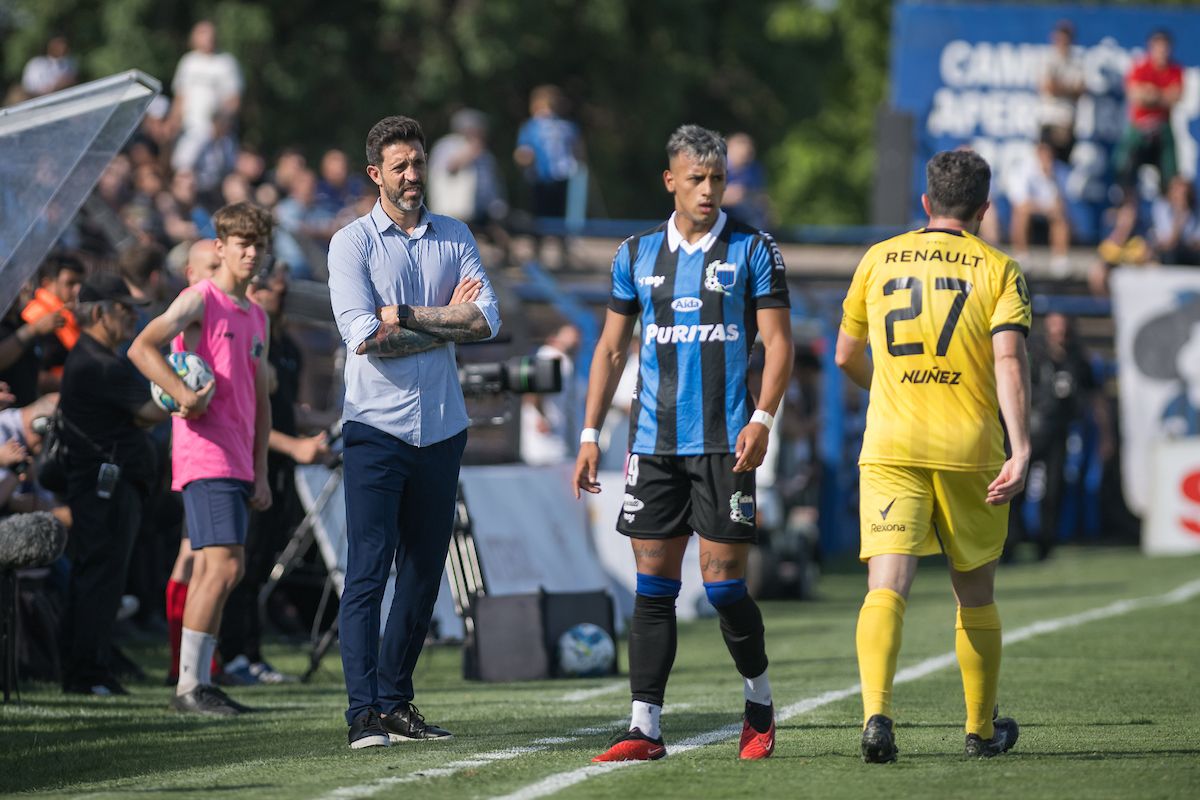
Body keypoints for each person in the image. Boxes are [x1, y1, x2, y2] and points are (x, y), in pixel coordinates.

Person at [573, 124, 793, 762]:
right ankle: (645, 727)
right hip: (653, 442)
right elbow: (612, 348)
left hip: (728, 443)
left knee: (723, 585)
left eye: (717, 179)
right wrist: (591, 433)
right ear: (669, 180)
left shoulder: (754, 249)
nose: (708, 190)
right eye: (696, 179)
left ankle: (758, 700)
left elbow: (777, 344)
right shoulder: (636, 253)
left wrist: (763, 418)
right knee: (653, 583)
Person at [834, 149, 1032, 762]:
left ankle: (876, 717)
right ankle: (978, 729)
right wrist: (1021, 446)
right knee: (974, 595)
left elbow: (844, 355)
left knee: (885, 587)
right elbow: (1007, 360)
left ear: (926, 202)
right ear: (983, 209)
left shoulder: (877, 257)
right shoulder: (999, 268)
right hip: (969, 447)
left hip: (892, 444)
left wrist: (890, 389)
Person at [327, 115, 501, 749]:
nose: (411, 175)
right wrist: (443, 320)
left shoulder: (454, 233)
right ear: (375, 173)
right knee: (368, 573)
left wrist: (404, 314)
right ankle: (362, 714)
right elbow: (367, 339)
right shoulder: (350, 244)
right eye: (398, 166)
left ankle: (397, 701)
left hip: (442, 429)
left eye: (417, 163)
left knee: (426, 573)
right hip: (376, 428)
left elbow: (486, 321)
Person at [129, 202, 274, 716]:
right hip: (204, 453)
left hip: (237, 458)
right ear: (221, 247)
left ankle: (199, 682)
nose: (252, 254)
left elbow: (262, 400)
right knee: (221, 567)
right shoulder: (200, 298)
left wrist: (260, 468)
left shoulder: (257, 316)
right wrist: (181, 395)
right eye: (242, 244)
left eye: (258, 245)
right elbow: (143, 347)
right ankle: (190, 686)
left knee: (227, 571)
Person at [218, 265, 330, 684]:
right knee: (238, 564)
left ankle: (251, 653)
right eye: (267, 288)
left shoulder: (286, 346)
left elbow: (286, 410)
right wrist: (295, 445)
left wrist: (326, 423)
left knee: (261, 563)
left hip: (278, 468)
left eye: (281, 290)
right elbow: (248, 418)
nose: (275, 296)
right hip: (247, 463)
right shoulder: (246, 339)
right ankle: (230, 655)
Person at [59, 274, 167, 696]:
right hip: (103, 488)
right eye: (125, 310)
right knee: (99, 579)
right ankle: (86, 672)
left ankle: (93, 667)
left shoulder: (100, 358)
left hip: (110, 485)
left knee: (103, 577)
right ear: (101, 312)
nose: (133, 318)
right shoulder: (97, 362)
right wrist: (186, 385)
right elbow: (149, 412)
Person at [161, 239, 220, 686]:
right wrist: (182, 395)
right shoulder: (191, 303)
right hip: (200, 448)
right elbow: (157, 359)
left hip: (215, 447)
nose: (217, 272)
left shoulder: (220, 307)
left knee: (199, 556)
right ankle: (189, 666)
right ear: (189, 272)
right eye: (210, 266)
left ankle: (190, 663)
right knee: (201, 558)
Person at [1014, 312, 1112, 561]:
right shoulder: (1033, 354)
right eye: (1054, 327)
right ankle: (1011, 542)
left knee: (1055, 488)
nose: (1059, 333)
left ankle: (1046, 544)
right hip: (1031, 429)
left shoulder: (1079, 358)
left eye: (1063, 328)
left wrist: (1105, 434)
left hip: (1062, 432)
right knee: (1017, 487)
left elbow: (1095, 397)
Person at [1099, 30, 1184, 269]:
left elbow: (1175, 97)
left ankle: (1172, 235)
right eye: (1158, 46)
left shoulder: (1175, 70)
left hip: (1162, 132)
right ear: (1151, 47)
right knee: (1126, 180)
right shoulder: (1140, 67)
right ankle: (1122, 233)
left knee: (1172, 183)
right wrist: (1159, 96)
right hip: (1140, 130)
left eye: (1166, 47)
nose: (1162, 52)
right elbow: (1137, 96)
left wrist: (1151, 94)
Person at [170, 20, 243, 173]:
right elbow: (180, 96)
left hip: (216, 130)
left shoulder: (226, 63)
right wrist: (173, 122)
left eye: (210, 34)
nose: (208, 38)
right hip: (190, 128)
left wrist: (222, 123)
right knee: (182, 168)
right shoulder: (188, 62)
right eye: (202, 33)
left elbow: (234, 99)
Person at [514, 85, 582, 220]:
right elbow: (522, 151)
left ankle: (554, 236)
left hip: (554, 176)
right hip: (548, 176)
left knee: (552, 212)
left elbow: (576, 149)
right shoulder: (533, 126)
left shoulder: (562, 126)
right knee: (548, 211)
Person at [520, 323, 580, 465]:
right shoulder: (552, 356)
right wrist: (541, 418)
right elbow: (533, 390)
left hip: (554, 431)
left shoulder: (560, 359)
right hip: (547, 435)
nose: (575, 339)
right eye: (570, 334)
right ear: (553, 338)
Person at [1008, 141, 1071, 275]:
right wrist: (1044, 208)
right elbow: (1021, 203)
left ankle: (1060, 258)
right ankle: (1022, 254)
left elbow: (1060, 203)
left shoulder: (1060, 170)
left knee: (1061, 216)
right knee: (1020, 214)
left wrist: (1051, 178)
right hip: (1031, 209)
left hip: (1046, 209)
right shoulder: (1023, 169)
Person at [1038, 21, 1085, 165]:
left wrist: (1060, 87)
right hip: (1049, 119)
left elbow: (1080, 90)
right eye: (1060, 37)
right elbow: (1048, 87)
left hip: (1068, 120)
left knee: (1063, 166)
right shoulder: (1048, 59)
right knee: (1046, 165)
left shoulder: (1077, 62)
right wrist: (1069, 88)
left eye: (1067, 38)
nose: (1063, 42)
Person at [723, 132, 770, 231]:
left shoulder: (754, 170)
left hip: (746, 214)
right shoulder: (714, 168)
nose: (744, 158)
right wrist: (724, 197)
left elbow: (760, 196)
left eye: (748, 155)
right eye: (739, 154)